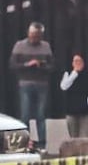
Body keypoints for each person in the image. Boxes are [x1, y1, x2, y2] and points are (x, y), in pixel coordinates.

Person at [8, 22, 54, 150]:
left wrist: (41, 65)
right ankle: (25, 144)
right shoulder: (19, 45)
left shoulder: (46, 46)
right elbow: (12, 65)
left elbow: (52, 67)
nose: (34, 38)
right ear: (28, 33)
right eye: (33, 35)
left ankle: (42, 145)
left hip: (42, 84)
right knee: (25, 115)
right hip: (25, 83)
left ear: (41, 35)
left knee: (41, 115)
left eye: (37, 36)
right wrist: (27, 65)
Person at [59, 53, 88, 138]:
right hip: (71, 111)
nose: (77, 63)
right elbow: (64, 86)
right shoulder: (68, 74)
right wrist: (74, 73)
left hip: (86, 111)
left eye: (79, 61)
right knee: (73, 138)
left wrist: (87, 101)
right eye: (75, 61)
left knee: (85, 138)